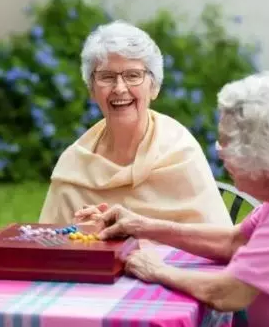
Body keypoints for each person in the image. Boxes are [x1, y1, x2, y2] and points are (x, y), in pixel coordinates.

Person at [89, 72, 269, 327]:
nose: (221, 156)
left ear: (262, 153)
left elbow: (229, 293)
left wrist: (159, 271)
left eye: (224, 145)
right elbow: (234, 241)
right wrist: (139, 225)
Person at [39, 20, 231, 226]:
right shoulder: (75, 164)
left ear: (154, 87)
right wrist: (86, 236)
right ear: (92, 90)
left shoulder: (179, 151)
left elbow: (212, 242)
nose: (120, 88)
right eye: (107, 76)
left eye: (133, 75)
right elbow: (50, 246)